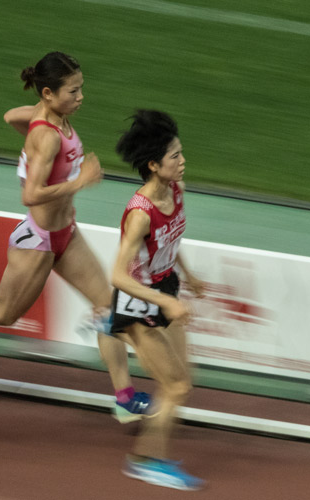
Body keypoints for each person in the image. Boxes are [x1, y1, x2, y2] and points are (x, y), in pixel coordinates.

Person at [0, 52, 151, 423]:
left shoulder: (50, 118)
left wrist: (36, 125)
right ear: (49, 93)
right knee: (3, 313)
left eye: (82, 88)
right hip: (39, 240)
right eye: (73, 91)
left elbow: (11, 117)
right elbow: (30, 195)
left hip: (67, 233)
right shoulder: (47, 137)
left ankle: (124, 398)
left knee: (110, 310)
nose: (81, 97)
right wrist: (77, 181)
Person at [109, 109, 205, 490]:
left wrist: (189, 276)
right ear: (153, 165)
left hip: (166, 288)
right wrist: (163, 303)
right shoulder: (140, 214)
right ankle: (146, 460)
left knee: (182, 381)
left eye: (181, 153)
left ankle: (149, 448)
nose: (183, 162)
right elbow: (117, 275)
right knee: (176, 386)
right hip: (138, 305)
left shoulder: (175, 190)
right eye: (175, 157)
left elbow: (170, 241)